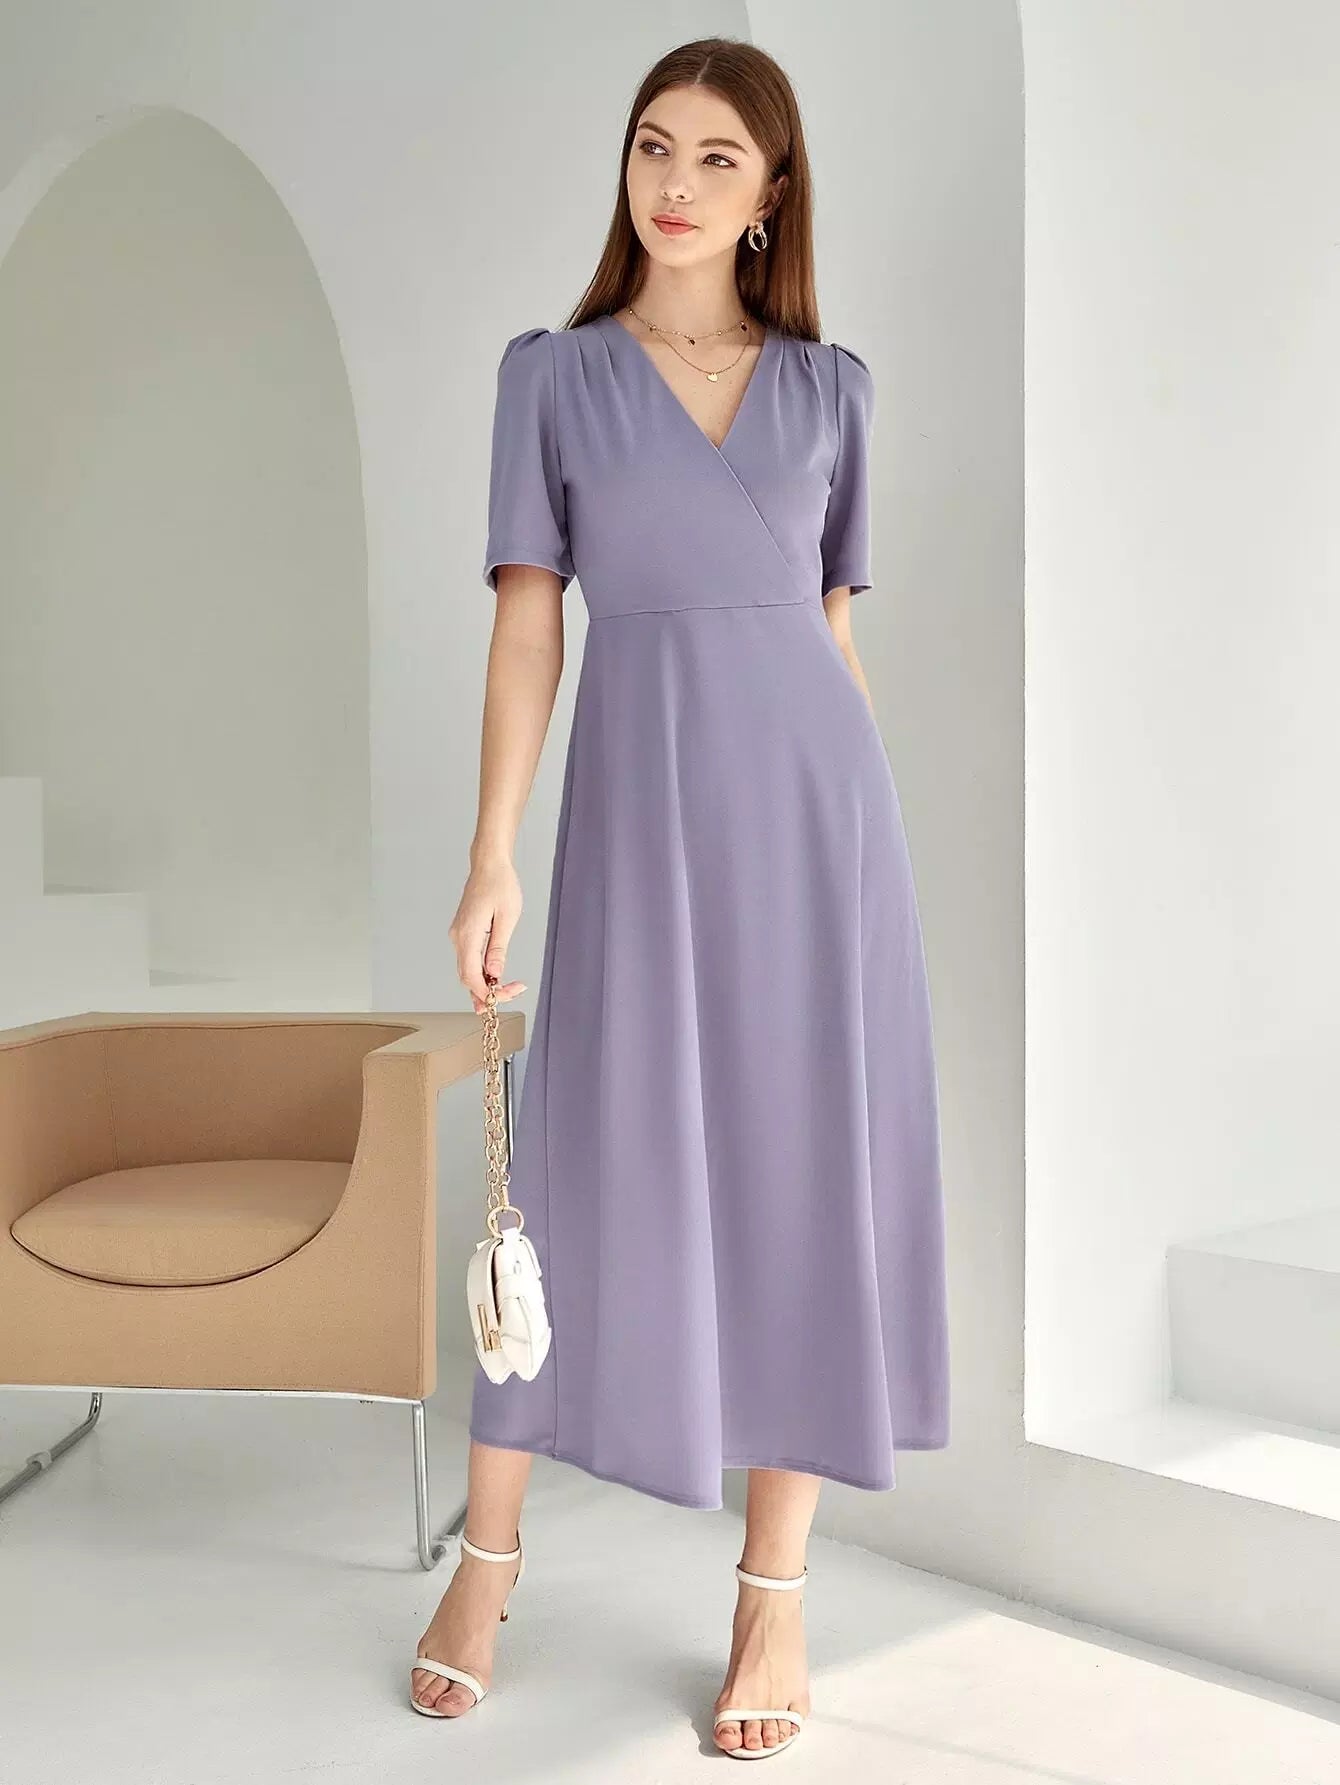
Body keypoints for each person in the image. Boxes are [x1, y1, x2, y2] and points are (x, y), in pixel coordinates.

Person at [412, 34, 949, 1760]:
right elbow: (528, 627)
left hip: (819, 826)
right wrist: (494, 847)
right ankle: (486, 1563)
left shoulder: (832, 389)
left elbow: (830, 636)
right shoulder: (555, 377)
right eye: (657, 144)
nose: (679, 180)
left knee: (803, 1179)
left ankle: (772, 1593)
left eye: (721, 156)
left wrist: (867, 864)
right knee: (571, 1176)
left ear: (772, 193)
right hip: (639, 821)